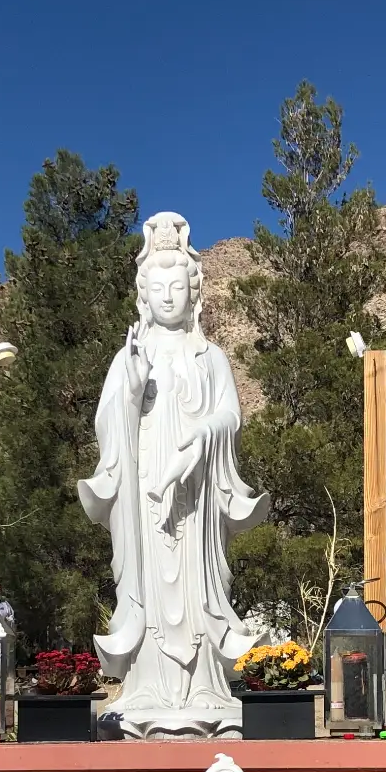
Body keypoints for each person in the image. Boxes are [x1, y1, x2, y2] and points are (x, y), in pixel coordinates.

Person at [78, 211, 268, 737]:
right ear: (143, 292)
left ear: (194, 291)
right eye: (157, 285)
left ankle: (205, 687)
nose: (167, 295)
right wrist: (133, 389)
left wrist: (204, 436)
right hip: (146, 493)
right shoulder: (129, 355)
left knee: (197, 585)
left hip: (199, 494)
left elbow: (231, 415)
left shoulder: (211, 357)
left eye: (177, 284)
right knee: (151, 587)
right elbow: (107, 419)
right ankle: (148, 687)